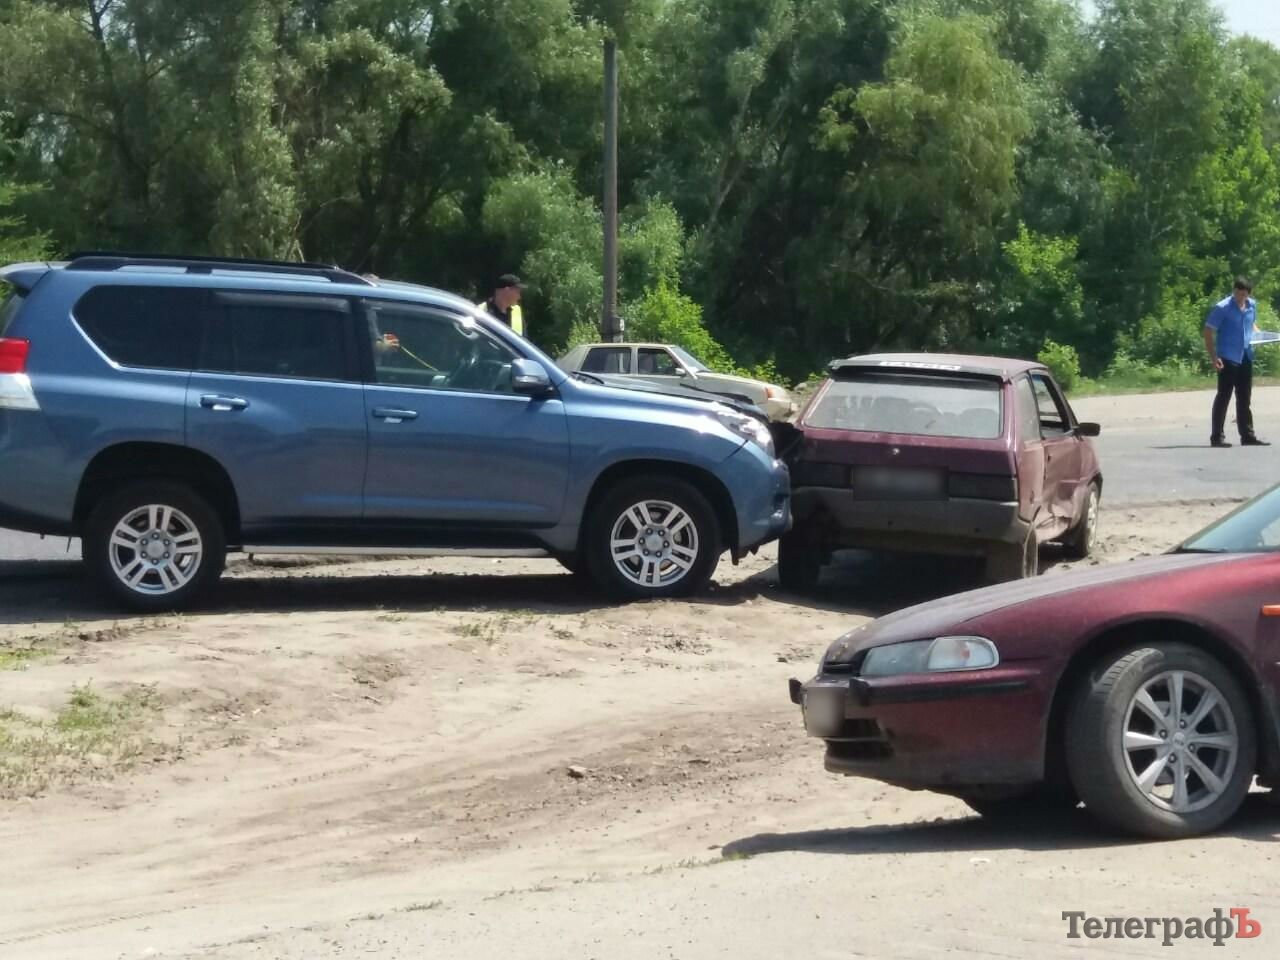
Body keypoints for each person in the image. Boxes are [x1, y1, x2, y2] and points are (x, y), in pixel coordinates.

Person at [1205, 277, 1268, 448]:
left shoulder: (1251, 305)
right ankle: (1217, 436)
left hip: (1246, 355)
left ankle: (1247, 435)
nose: (1241, 298)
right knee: (1224, 396)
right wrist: (1213, 356)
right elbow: (1209, 330)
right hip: (1227, 356)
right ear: (1234, 291)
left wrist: (1261, 335)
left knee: (1244, 397)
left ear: (1248, 294)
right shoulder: (1223, 307)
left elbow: (1251, 324)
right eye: (1238, 294)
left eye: (1244, 295)